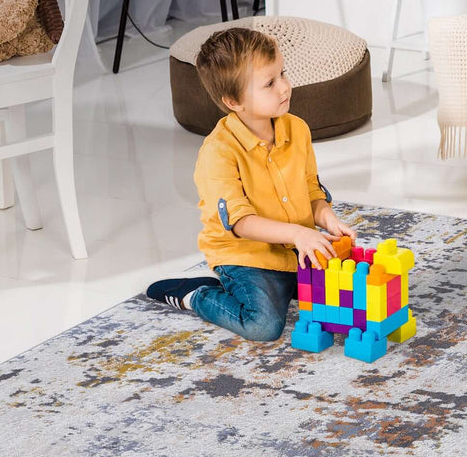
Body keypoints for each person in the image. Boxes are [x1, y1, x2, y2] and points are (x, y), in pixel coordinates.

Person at [144, 27, 357, 341]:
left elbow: (312, 190)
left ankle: (284, 285)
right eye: (270, 83)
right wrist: (299, 233)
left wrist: (328, 220)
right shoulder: (218, 152)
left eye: (282, 74)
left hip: (292, 249)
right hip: (246, 256)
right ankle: (197, 293)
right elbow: (241, 223)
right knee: (264, 326)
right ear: (233, 101)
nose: (285, 87)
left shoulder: (297, 129)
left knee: (351, 289)